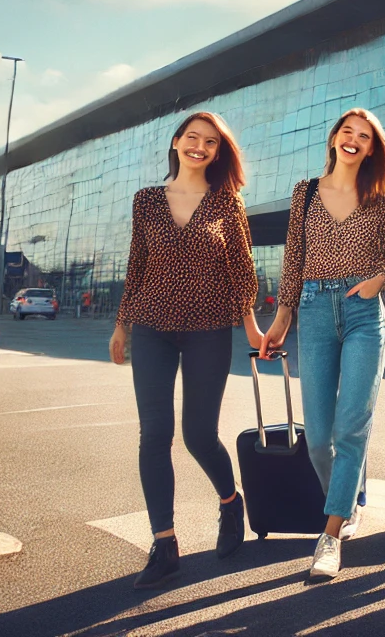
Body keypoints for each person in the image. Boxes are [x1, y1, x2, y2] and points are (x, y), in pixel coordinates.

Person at [109, 111, 262, 589]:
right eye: (192, 137)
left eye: (210, 142)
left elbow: (242, 268)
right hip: (152, 326)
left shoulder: (226, 202)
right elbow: (138, 264)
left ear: (217, 153)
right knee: (154, 433)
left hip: (209, 328)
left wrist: (252, 326)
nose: (200, 146)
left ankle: (230, 502)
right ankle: (165, 544)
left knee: (198, 435)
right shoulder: (147, 201)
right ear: (176, 142)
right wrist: (121, 326)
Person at [260, 109, 385, 579]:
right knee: (319, 438)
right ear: (334, 139)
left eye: (364, 136)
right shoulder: (305, 193)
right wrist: (283, 317)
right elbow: (294, 258)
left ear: (372, 147)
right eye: (347, 133)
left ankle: (332, 533)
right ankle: (350, 496)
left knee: (350, 429)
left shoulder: (381, 195)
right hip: (316, 311)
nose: (354, 141)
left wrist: (378, 279)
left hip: (364, 313)